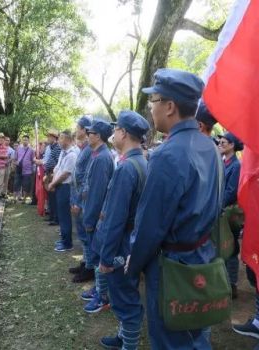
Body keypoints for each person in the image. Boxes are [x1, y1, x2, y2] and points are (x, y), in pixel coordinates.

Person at [127, 69, 220, 349]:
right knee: (197, 332)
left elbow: (151, 224)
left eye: (154, 99)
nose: (151, 107)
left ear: (170, 107)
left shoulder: (168, 154)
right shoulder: (210, 146)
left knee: (171, 337)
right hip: (203, 254)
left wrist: (135, 264)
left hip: (172, 265)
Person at [95, 110, 150, 350]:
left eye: (116, 129)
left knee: (125, 300)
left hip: (122, 244)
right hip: (132, 241)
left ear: (124, 133)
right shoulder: (141, 162)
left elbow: (115, 219)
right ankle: (122, 337)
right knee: (126, 294)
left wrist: (106, 256)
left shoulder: (127, 168)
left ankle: (128, 344)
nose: (114, 133)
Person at [80, 119, 114, 313]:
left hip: (97, 217)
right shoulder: (97, 154)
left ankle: (102, 295)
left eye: (90, 133)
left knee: (98, 255)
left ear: (98, 136)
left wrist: (90, 220)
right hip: (94, 214)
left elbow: (97, 193)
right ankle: (99, 289)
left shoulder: (102, 158)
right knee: (95, 256)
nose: (87, 135)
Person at [69, 116, 95, 283]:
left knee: (86, 236)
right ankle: (85, 262)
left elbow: (85, 179)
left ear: (85, 130)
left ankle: (89, 268)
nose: (76, 130)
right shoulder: (84, 148)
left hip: (82, 200)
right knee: (82, 235)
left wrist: (78, 202)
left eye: (78, 127)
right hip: (77, 196)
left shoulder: (89, 150)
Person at [218, 132, 244, 299]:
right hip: (221, 211)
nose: (220, 143)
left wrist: (216, 206)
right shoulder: (223, 163)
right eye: (219, 141)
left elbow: (230, 192)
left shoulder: (236, 165)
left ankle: (232, 283)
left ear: (232, 145)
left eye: (223, 142)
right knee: (222, 246)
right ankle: (223, 281)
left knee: (231, 247)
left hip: (229, 213)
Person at [48, 130, 77, 252]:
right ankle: (64, 239)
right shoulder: (63, 153)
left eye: (61, 138)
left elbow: (65, 174)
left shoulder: (72, 155)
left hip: (65, 186)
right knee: (61, 214)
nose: (59, 141)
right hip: (59, 185)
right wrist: (52, 179)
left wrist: (53, 183)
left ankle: (67, 243)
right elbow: (58, 168)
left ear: (68, 140)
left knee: (65, 216)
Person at [38, 130, 61, 225]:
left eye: (49, 137)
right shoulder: (52, 147)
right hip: (49, 173)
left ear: (54, 138)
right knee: (51, 197)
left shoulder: (58, 148)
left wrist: (52, 173)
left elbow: (58, 162)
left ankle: (56, 218)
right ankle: (52, 216)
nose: (48, 138)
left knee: (54, 197)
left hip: (53, 174)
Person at [13, 135, 35, 201]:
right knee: (16, 183)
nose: (25, 141)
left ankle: (24, 199)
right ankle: (14, 198)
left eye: (26, 139)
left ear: (28, 141)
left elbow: (33, 160)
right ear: (22, 140)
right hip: (19, 169)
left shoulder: (31, 150)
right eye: (24, 139)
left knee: (26, 184)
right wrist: (15, 163)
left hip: (27, 170)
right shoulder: (18, 148)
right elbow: (15, 158)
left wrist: (29, 166)